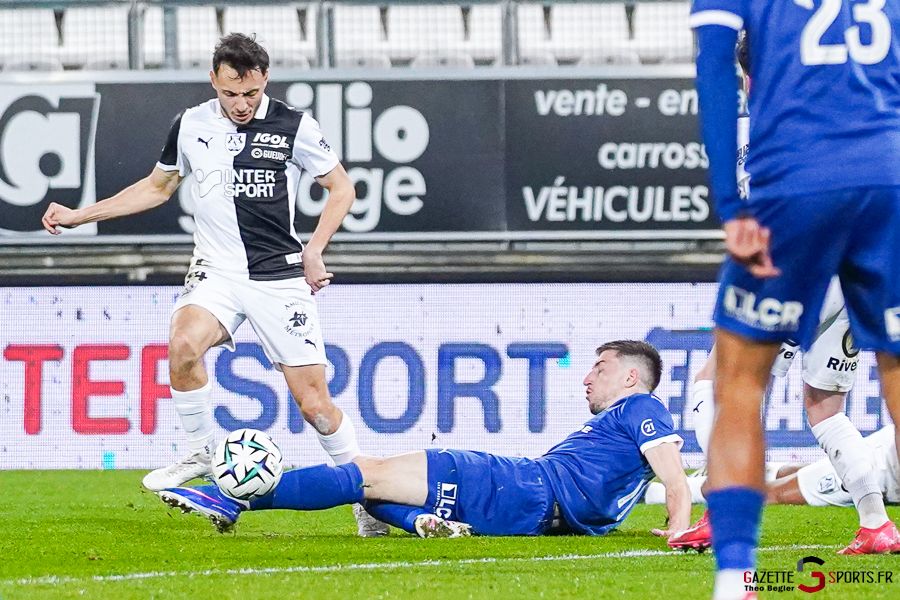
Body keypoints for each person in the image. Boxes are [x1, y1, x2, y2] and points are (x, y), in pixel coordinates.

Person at [40, 33, 386, 536]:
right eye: (230, 93)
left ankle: (367, 493)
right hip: (216, 271)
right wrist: (80, 215)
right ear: (213, 81)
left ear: (265, 80)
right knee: (183, 344)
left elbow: (342, 187)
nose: (241, 104)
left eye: (250, 93)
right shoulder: (190, 123)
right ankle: (201, 452)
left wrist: (314, 250)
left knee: (315, 405)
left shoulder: (295, 125)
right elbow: (158, 186)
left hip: (277, 276)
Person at [690, 2, 900, 598]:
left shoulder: (757, 104)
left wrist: (730, 207)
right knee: (835, 402)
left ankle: (734, 567)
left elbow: (712, 70)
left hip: (796, 197)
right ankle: (875, 522)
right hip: (886, 186)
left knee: (733, 383)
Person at [154, 341, 692, 539]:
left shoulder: (641, 407)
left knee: (365, 475)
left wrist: (679, 526)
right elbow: (660, 482)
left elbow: (675, 479)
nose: (587, 377)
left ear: (631, 377)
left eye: (601, 367)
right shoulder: (621, 433)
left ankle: (232, 498)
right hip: (525, 512)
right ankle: (421, 523)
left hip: (520, 485)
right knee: (373, 492)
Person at [669, 278, 899, 554]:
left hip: (798, 271)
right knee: (825, 410)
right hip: (853, 283)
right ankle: (876, 523)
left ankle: (723, 509)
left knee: (722, 379)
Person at [647, 425, 899, 509]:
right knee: (775, 493)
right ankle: (659, 492)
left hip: (887, 454)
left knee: (812, 473)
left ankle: (765, 469)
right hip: (882, 469)